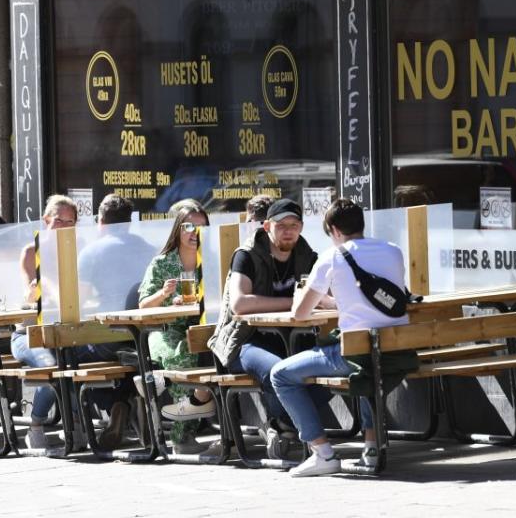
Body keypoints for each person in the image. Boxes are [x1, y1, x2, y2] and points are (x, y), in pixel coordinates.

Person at [270, 198, 416, 477]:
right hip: (396, 351)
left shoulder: (332, 257)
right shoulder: (393, 251)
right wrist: (335, 301)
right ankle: (371, 449)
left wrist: (315, 298)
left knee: (280, 374)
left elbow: (300, 313)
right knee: (367, 366)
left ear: (335, 230)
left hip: (354, 354)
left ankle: (322, 452)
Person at [12, 194, 131, 450]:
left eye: (71, 222)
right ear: (46, 220)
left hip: (69, 330)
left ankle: (80, 422)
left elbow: (87, 292)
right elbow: (29, 295)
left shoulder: (79, 249)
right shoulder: (32, 251)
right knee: (52, 363)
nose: (65, 227)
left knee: (81, 357)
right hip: (30, 332)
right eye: (60, 221)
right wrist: (38, 290)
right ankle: (36, 424)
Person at [207, 197, 323, 458]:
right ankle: (284, 425)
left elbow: (323, 295)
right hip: (243, 341)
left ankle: (283, 424)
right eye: (282, 225)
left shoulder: (307, 256)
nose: (289, 230)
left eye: (294, 224)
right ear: (268, 226)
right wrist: (294, 302)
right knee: (276, 370)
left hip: (292, 339)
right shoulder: (246, 255)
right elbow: (239, 304)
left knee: (327, 365)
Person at [137, 199, 215, 454]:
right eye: (190, 227)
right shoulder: (162, 263)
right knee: (185, 355)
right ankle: (182, 438)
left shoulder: (213, 260)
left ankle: (162, 380)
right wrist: (164, 294)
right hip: (165, 330)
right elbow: (144, 306)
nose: (195, 233)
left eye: (202, 228)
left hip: (203, 328)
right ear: (178, 230)